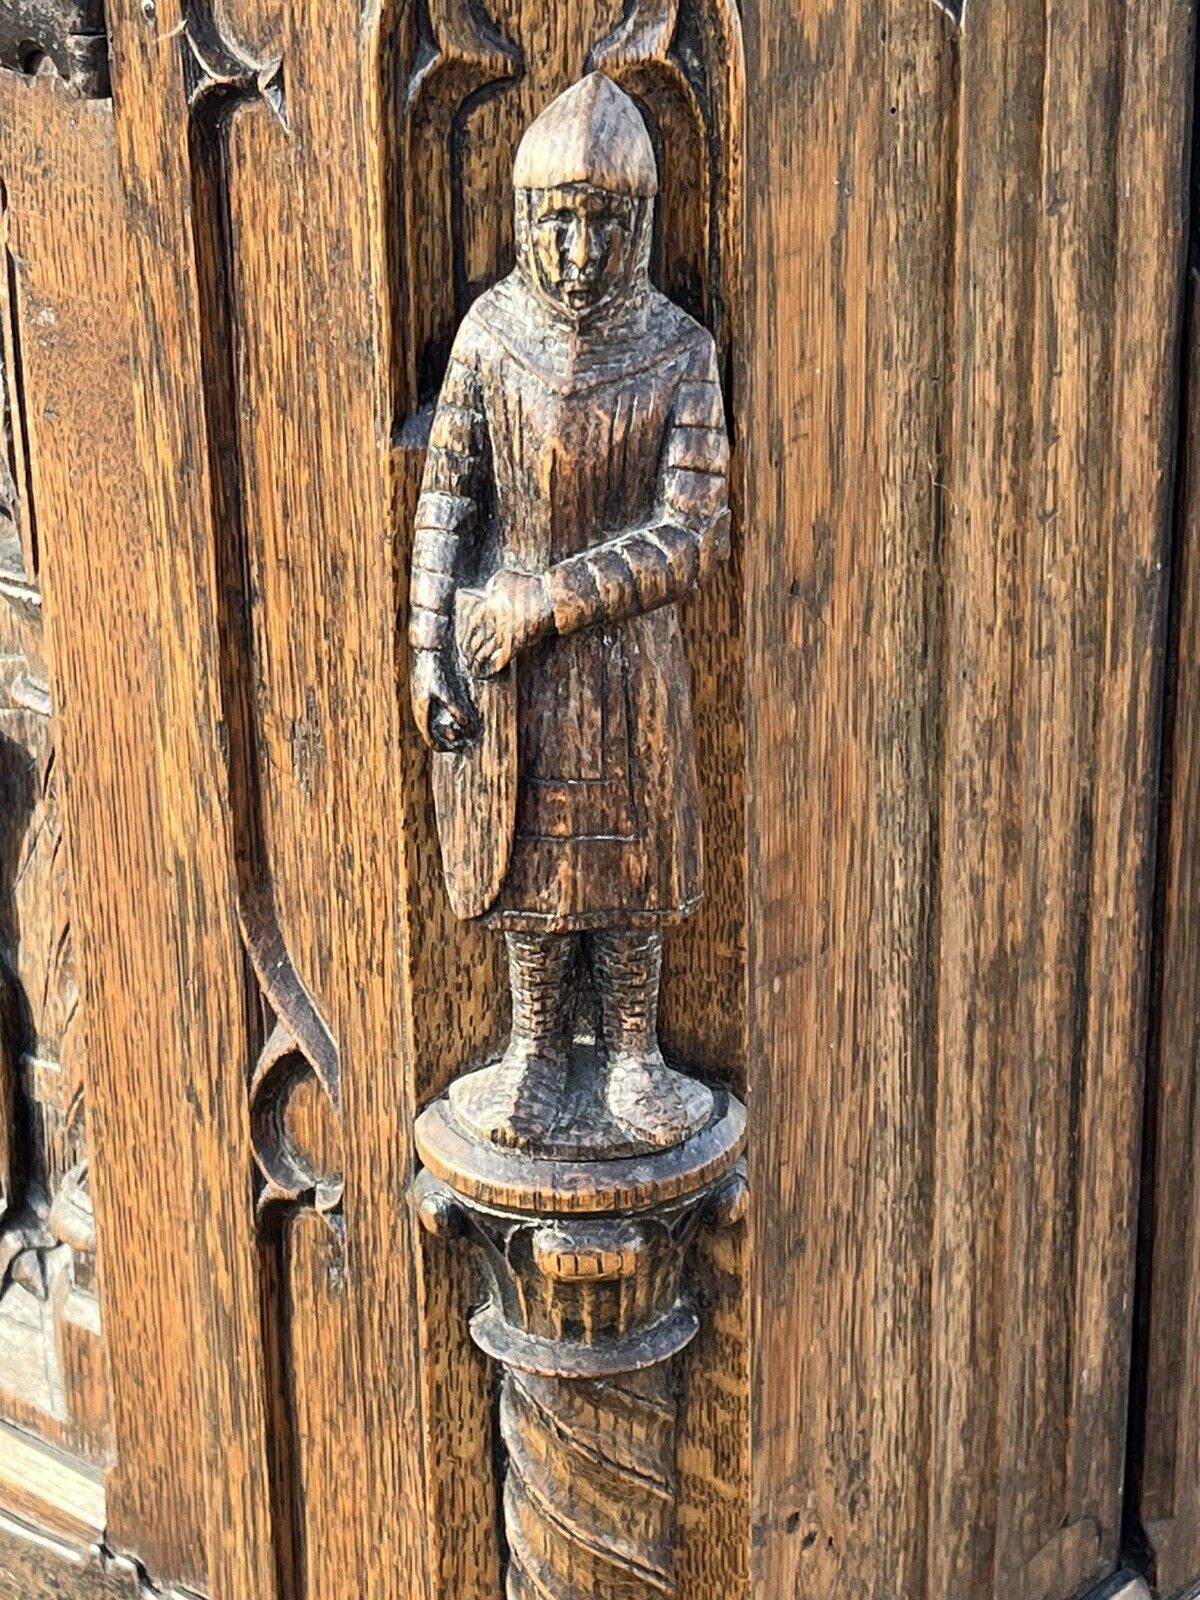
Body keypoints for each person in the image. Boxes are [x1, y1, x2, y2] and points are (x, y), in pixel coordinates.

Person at [409, 73, 730, 1150]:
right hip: (514, 675)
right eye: (559, 225)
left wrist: (546, 597)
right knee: (531, 860)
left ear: (639, 226)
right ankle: (536, 1050)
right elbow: (447, 495)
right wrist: (426, 655)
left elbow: (691, 531)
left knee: (627, 863)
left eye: (604, 225)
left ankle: (634, 1056)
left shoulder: (680, 350)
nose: (581, 254)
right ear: (524, 221)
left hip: (623, 663)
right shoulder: (493, 337)